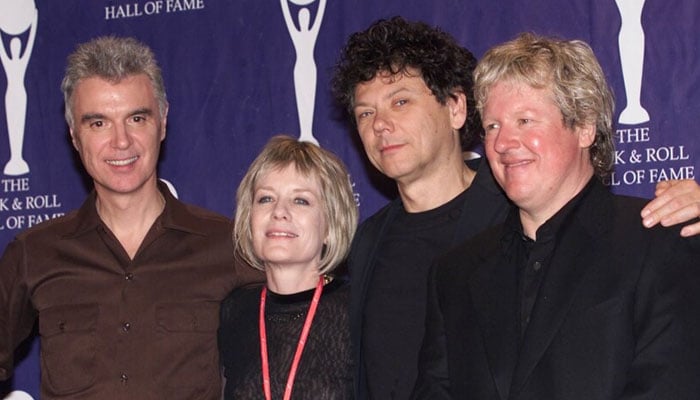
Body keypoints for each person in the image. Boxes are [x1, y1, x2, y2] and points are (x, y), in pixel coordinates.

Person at [330, 16, 700, 400]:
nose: (504, 142)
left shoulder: (660, 242)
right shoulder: (452, 272)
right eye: (492, 126)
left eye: (525, 120)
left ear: (585, 126)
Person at [0, 36, 262, 399]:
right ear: (74, 136)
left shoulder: (227, 246)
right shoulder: (34, 253)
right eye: (98, 123)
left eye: (137, 118)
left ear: (163, 122)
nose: (121, 141)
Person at [218, 135, 357, 399]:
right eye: (266, 199)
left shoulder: (358, 310)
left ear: (330, 226)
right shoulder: (234, 311)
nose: (279, 211)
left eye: (300, 200)